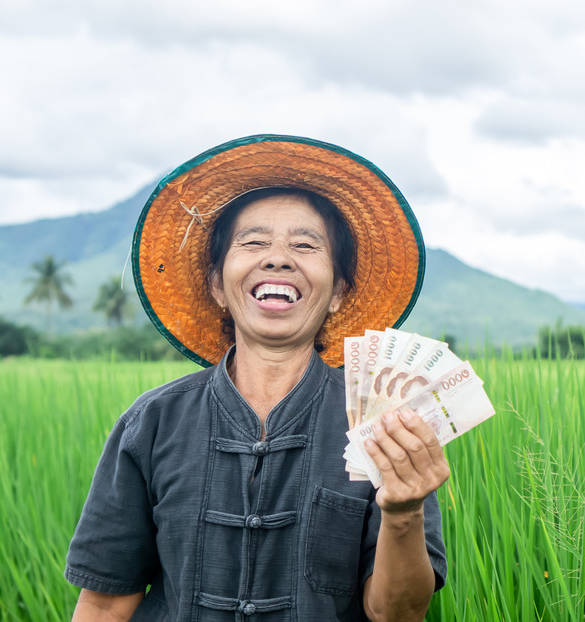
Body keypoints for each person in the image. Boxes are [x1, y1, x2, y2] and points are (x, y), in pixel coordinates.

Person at [66, 135, 449, 621]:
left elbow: (398, 613)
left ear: (337, 294)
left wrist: (404, 511)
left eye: (305, 245)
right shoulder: (153, 422)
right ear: (217, 287)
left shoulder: (385, 423)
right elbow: (103, 604)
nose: (278, 257)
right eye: (254, 242)